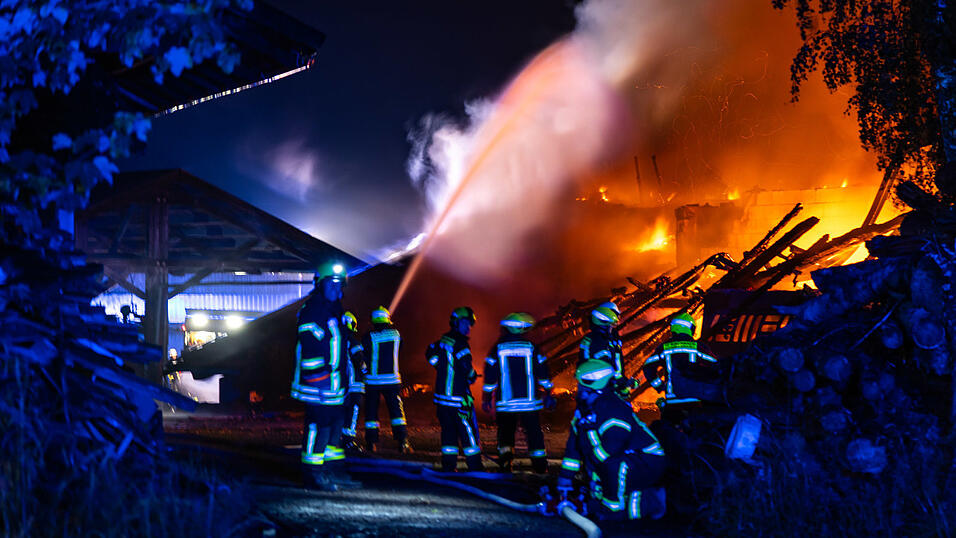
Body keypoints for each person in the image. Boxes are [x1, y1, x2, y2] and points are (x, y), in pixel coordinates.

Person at [557, 360, 667, 522]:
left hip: (647, 461)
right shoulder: (584, 411)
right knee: (598, 492)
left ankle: (649, 503)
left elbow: (612, 447)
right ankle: (631, 501)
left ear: (593, 385)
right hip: (625, 459)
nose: (578, 389)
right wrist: (565, 479)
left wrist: (593, 470)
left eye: (581, 385)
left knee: (611, 471)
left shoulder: (614, 408)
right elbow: (574, 446)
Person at [290, 263, 361, 491]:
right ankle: (313, 473)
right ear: (320, 285)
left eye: (339, 285)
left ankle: (332, 470)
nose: (336, 288)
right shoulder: (313, 310)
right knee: (318, 426)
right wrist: (318, 376)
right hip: (317, 384)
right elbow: (310, 345)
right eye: (331, 284)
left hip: (335, 386)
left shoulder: (335, 310)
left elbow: (339, 348)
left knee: (335, 426)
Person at [481, 312, 555, 473]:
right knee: (534, 435)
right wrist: (548, 392)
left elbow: (490, 378)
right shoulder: (533, 348)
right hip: (530, 403)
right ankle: (540, 468)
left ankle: (506, 465)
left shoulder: (497, 349)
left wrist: (486, 398)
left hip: (506, 403)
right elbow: (543, 374)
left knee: (505, 436)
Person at [426, 306, 483, 472]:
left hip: (442, 399)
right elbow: (466, 367)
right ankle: (475, 467)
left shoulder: (444, 340)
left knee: (448, 433)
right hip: (458, 398)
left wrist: (441, 366)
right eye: (466, 323)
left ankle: (449, 466)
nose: (468, 327)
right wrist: (472, 376)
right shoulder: (461, 343)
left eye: (470, 324)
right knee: (467, 432)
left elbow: (429, 353)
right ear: (456, 322)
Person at [362, 306, 412, 453]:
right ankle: (403, 442)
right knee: (397, 412)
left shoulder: (368, 337)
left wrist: (364, 371)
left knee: (371, 413)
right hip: (392, 381)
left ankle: (371, 443)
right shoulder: (397, 335)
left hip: (373, 381)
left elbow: (363, 356)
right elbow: (401, 351)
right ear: (387, 319)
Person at [579, 303, 638, 397]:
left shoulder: (608, 337)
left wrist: (622, 384)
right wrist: (620, 384)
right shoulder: (598, 340)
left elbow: (615, 365)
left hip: (604, 388)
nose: (616, 320)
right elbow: (604, 368)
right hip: (599, 390)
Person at [340, 311, 367, 453]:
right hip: (353, 385)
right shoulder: (353, 341)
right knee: (352, 412)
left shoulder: (335, 340)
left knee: (339, 413)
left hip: (337, 386)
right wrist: (366, 372)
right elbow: (360, 361)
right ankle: (348, 441)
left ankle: (336, 439)